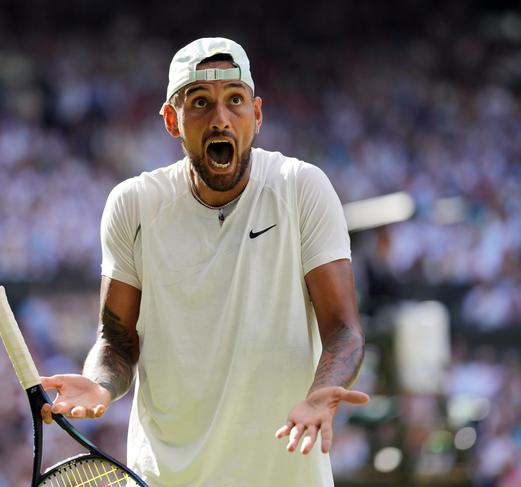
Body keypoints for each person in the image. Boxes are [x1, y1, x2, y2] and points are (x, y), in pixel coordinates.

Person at [41, 37, 369, 486]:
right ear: (172, 120)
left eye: (235, 100)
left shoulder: (301, 188)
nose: (220, 118)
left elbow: (344, 331)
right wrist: (100, 384)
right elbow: (115, 339)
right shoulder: (133, 204)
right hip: (165, 478)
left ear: (256, 115)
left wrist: (319, 397)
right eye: (200, 102)